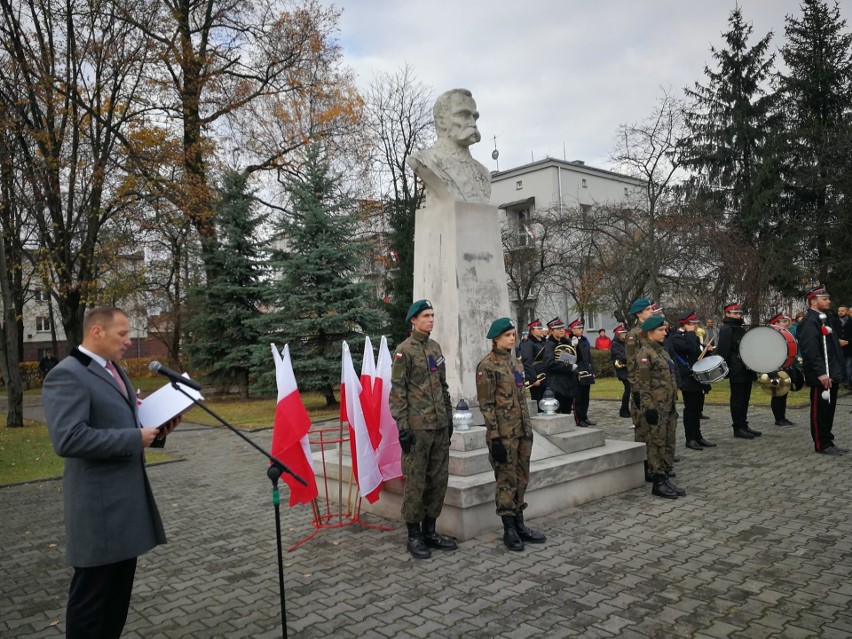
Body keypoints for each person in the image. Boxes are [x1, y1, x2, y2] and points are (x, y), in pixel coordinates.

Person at [42, 306, 180, 639]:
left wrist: (157, 430)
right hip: (97, 510)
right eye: (123, 334)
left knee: (117, 599)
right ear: (97, 332)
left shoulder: (113, 369)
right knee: (92, 599)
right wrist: (135, 437)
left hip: (123, 506)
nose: (129, 341)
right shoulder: (67, 374)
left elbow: (123, 421)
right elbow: (69, 438)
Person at [389, 299, 458, 559]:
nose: (431, 319)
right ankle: (414, 535)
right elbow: (397, 392)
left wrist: (449, 418)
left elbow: (442, 386)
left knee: (438, 480)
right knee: (416, 481)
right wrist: (403, 427)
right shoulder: (403, 351)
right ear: (413, 320)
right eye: (426, 316)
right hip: (418, 430)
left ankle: (431, 531)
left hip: (439, 426)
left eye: (432, 315)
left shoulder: (434, 347)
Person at [476, 317, 546, 552]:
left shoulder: (515, 363)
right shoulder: (487, 366)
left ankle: (520, 523)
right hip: (503, 435)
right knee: (506, 481)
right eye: (508, 335)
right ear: (496, 338)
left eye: (513, 334)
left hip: (522, 431)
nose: (512, 338)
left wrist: (528, 428)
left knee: (522, 478)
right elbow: (486, 405)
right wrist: (494, 436)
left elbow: (521, 399)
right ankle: (508, 529)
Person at [407, 89, 491, 204]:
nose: (473, 123)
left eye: (474, 117)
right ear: (442, 121)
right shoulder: (424, 160)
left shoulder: (484, 173)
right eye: (464, 115)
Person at [635, 315, 685, 499]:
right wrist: (649, 408)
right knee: (656, 443)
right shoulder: (644, 354)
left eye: (665, 329)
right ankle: (657, 482)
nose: (665, 332)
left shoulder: (662, 351)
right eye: (661, 330)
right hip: (656, 407)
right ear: (650, 333)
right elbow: (643, 384)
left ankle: (665, 477)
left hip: (668, 406)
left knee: (668, 442)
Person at [797, 286, 847, 455]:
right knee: (821, 409)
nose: (828, 301)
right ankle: (821, 443)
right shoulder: (810, 321)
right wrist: (821, 373)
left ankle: (828, 439)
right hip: (822, 374)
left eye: (828, 298)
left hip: (831, 371)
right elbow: (810, 350)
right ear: (813, 301)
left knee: (829, 408)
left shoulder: (824, 318)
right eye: (824, 299)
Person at [669, 311, 715, 450]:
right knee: (690, 409)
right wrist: (690, 333)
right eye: (693, 324)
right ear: (685, 324)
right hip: (687, 377)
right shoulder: (676, 338)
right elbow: (688, 348)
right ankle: (690, 439)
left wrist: (707, 350)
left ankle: (698, 436)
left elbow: (696, 352)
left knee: (698, 408)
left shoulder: (692, 336)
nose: (696, 326)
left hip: (697, 377)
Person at [717, 303, 761, 440]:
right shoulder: (727, 329)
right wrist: (726, 370)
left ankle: (744, 424)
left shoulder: (739, 328)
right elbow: (723, 351)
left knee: (745, 398)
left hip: (746, 368)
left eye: (739, 313)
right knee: (737, 399)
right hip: (736, 369)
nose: (738, 315)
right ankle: (738, 427)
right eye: (735, 313)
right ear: (727, 314)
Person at [626, 298, 656, 479]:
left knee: (655, 427)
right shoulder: (634, 334)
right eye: (648, 309)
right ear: (639, 314)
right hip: (641, 387)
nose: (652, 310)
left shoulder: (652, 331)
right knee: (643, 427)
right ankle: (644, 467)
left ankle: (656, 462)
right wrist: (636, 389)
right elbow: (632, 363)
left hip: (655, 385)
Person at [541, 317, 577, 415]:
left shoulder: (566, 342)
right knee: (559, 413)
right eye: (558, 328)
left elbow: (573, 358)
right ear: (551, 331)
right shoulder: (549, 345)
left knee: (567, 412)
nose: (562, 330)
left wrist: (575, 347)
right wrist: (569, 367)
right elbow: (550, 364)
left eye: (562, 328)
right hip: (557, 384)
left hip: (568, 383)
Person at [767, 313, 796, 427]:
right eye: (782, 322)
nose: (785, 324)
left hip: (784, 366)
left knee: (784, 392)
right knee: (777, 393)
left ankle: (782, 417)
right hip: (774, 367)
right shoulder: (770, 336)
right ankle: (778, 418)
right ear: (775, 323)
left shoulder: (784, 334)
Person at [568, 319, 596, 426]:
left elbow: (589, 357)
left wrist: (592, 370)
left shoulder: (584, 340)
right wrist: (573, 346)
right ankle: (578, 419)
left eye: (581, 328)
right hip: (577, 372)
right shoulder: (569, 340)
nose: (581, 330)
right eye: (578, 328)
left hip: (586, 370)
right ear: (572, 329)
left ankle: (585, 416)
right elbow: (569, 358)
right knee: (578, 398)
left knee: (586, 397)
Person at [519, 319, 548, 407]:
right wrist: (533, 379)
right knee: (539, 404)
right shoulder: (528, 343)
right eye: (538, 329)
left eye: (541, 328)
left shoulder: (544, 341)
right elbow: (527, 362)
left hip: (546, 377)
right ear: (532, 330)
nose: (540, 330)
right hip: (537, 378)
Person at [610, 325, 631, 418]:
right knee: (628, 389)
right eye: (623, 333)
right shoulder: (615, 344)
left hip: (629, 369)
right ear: (617, 334)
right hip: (622, 370)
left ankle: (626, 409)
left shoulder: (626, 342)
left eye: (625, 332)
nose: (625, 334)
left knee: (630, 389)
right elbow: (620, 357)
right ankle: (624, 410)